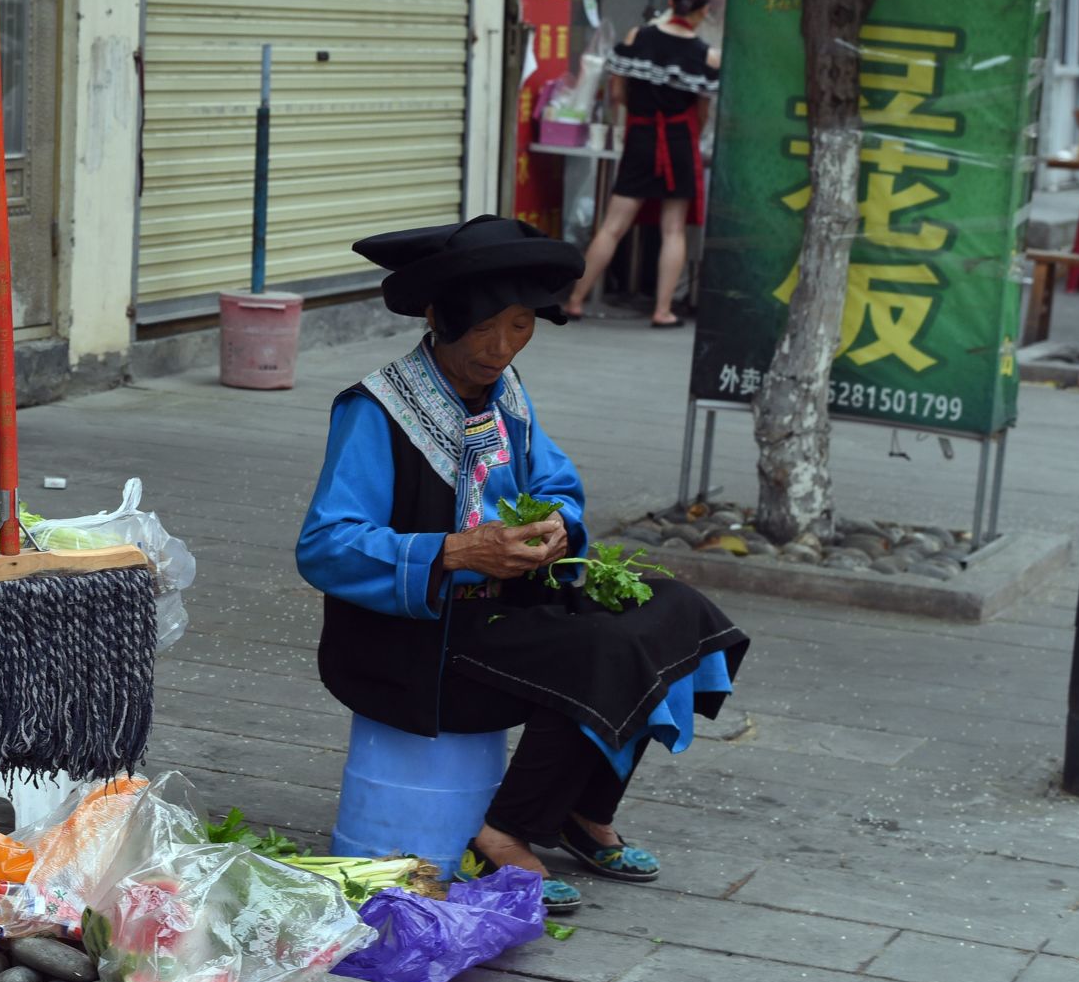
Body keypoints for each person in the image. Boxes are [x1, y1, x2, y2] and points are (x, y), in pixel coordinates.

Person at [295, 216, 749, 913]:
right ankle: (503, 831)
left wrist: (558, 528)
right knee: (601, 652)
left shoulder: (505, 396)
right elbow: (325, 545)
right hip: (423, 641)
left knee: (674, 613)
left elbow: (559, 488)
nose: (499, 349)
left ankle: (580, 807)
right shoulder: (375, 410)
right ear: (436, 316)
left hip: (508, 607)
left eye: (517, 327)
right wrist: (453, 551)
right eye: (481, 329)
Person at [565, 0, 720, 327]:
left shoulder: (638, 37)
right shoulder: (705, 56)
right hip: (679, 141)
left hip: (641, 136)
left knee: (612, 226)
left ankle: (575, 300)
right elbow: (702, 112)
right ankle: (662, 310)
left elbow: (618, 93)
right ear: (704, 11)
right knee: (673, 229)